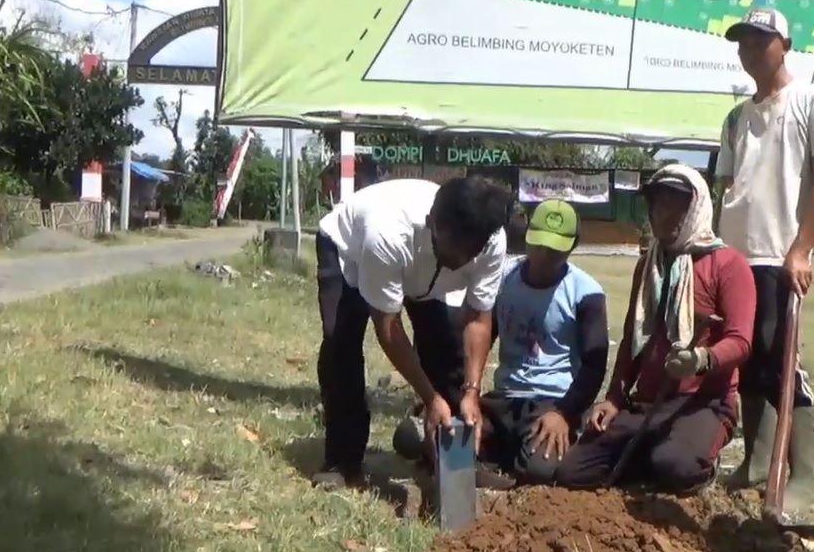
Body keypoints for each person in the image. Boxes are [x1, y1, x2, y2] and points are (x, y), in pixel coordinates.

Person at [716, 6, 814, 522]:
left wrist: (802, 248)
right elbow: (727, 186)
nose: (750, 49)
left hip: (779, 254)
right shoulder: (735, 117)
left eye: (760, 39)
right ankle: (755, 459)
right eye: (743, 40)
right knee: (745, 358)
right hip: (735, 256)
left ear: (785, 44)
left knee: (781, 362)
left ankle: (802, 480)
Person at [554, 165, 755, 493]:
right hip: (649, 401)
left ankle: (692, 457)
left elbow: (741, 341)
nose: (664, 215)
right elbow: (634, 340)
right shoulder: (649, 266)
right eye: (658, 205)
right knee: (573, 472)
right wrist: (615, 399)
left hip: (702, 403)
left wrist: (701, 359)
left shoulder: (729, 265)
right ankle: (650, 450)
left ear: (696, 208)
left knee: (676, 467)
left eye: (676, 205)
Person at [314, 176, 513, 489]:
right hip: (349, 253)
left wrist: (472, 391)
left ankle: (452, 461)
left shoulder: (491, 239)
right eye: (453, 251)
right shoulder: (387, 233)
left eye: (468, 254)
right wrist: (429, 397)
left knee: (447, 349)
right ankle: (342, 460)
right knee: (341, 346)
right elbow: (388, 326)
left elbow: (477, 317)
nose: (460, 262)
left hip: (419, 273)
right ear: (432, 221)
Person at [393, 199, 609, 484]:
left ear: (573, 245)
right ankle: (490, 459)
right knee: (411, 437)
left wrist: (565, 414)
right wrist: (457, 396)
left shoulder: (586, 292)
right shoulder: (504, 278)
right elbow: (476, 338)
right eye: (538, 245)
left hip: (550, 403)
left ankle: (488, 462)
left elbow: (594, 365)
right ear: (528, 236)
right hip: (504, 400)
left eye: (555, 251)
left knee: (539, 469)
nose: (543, 256)